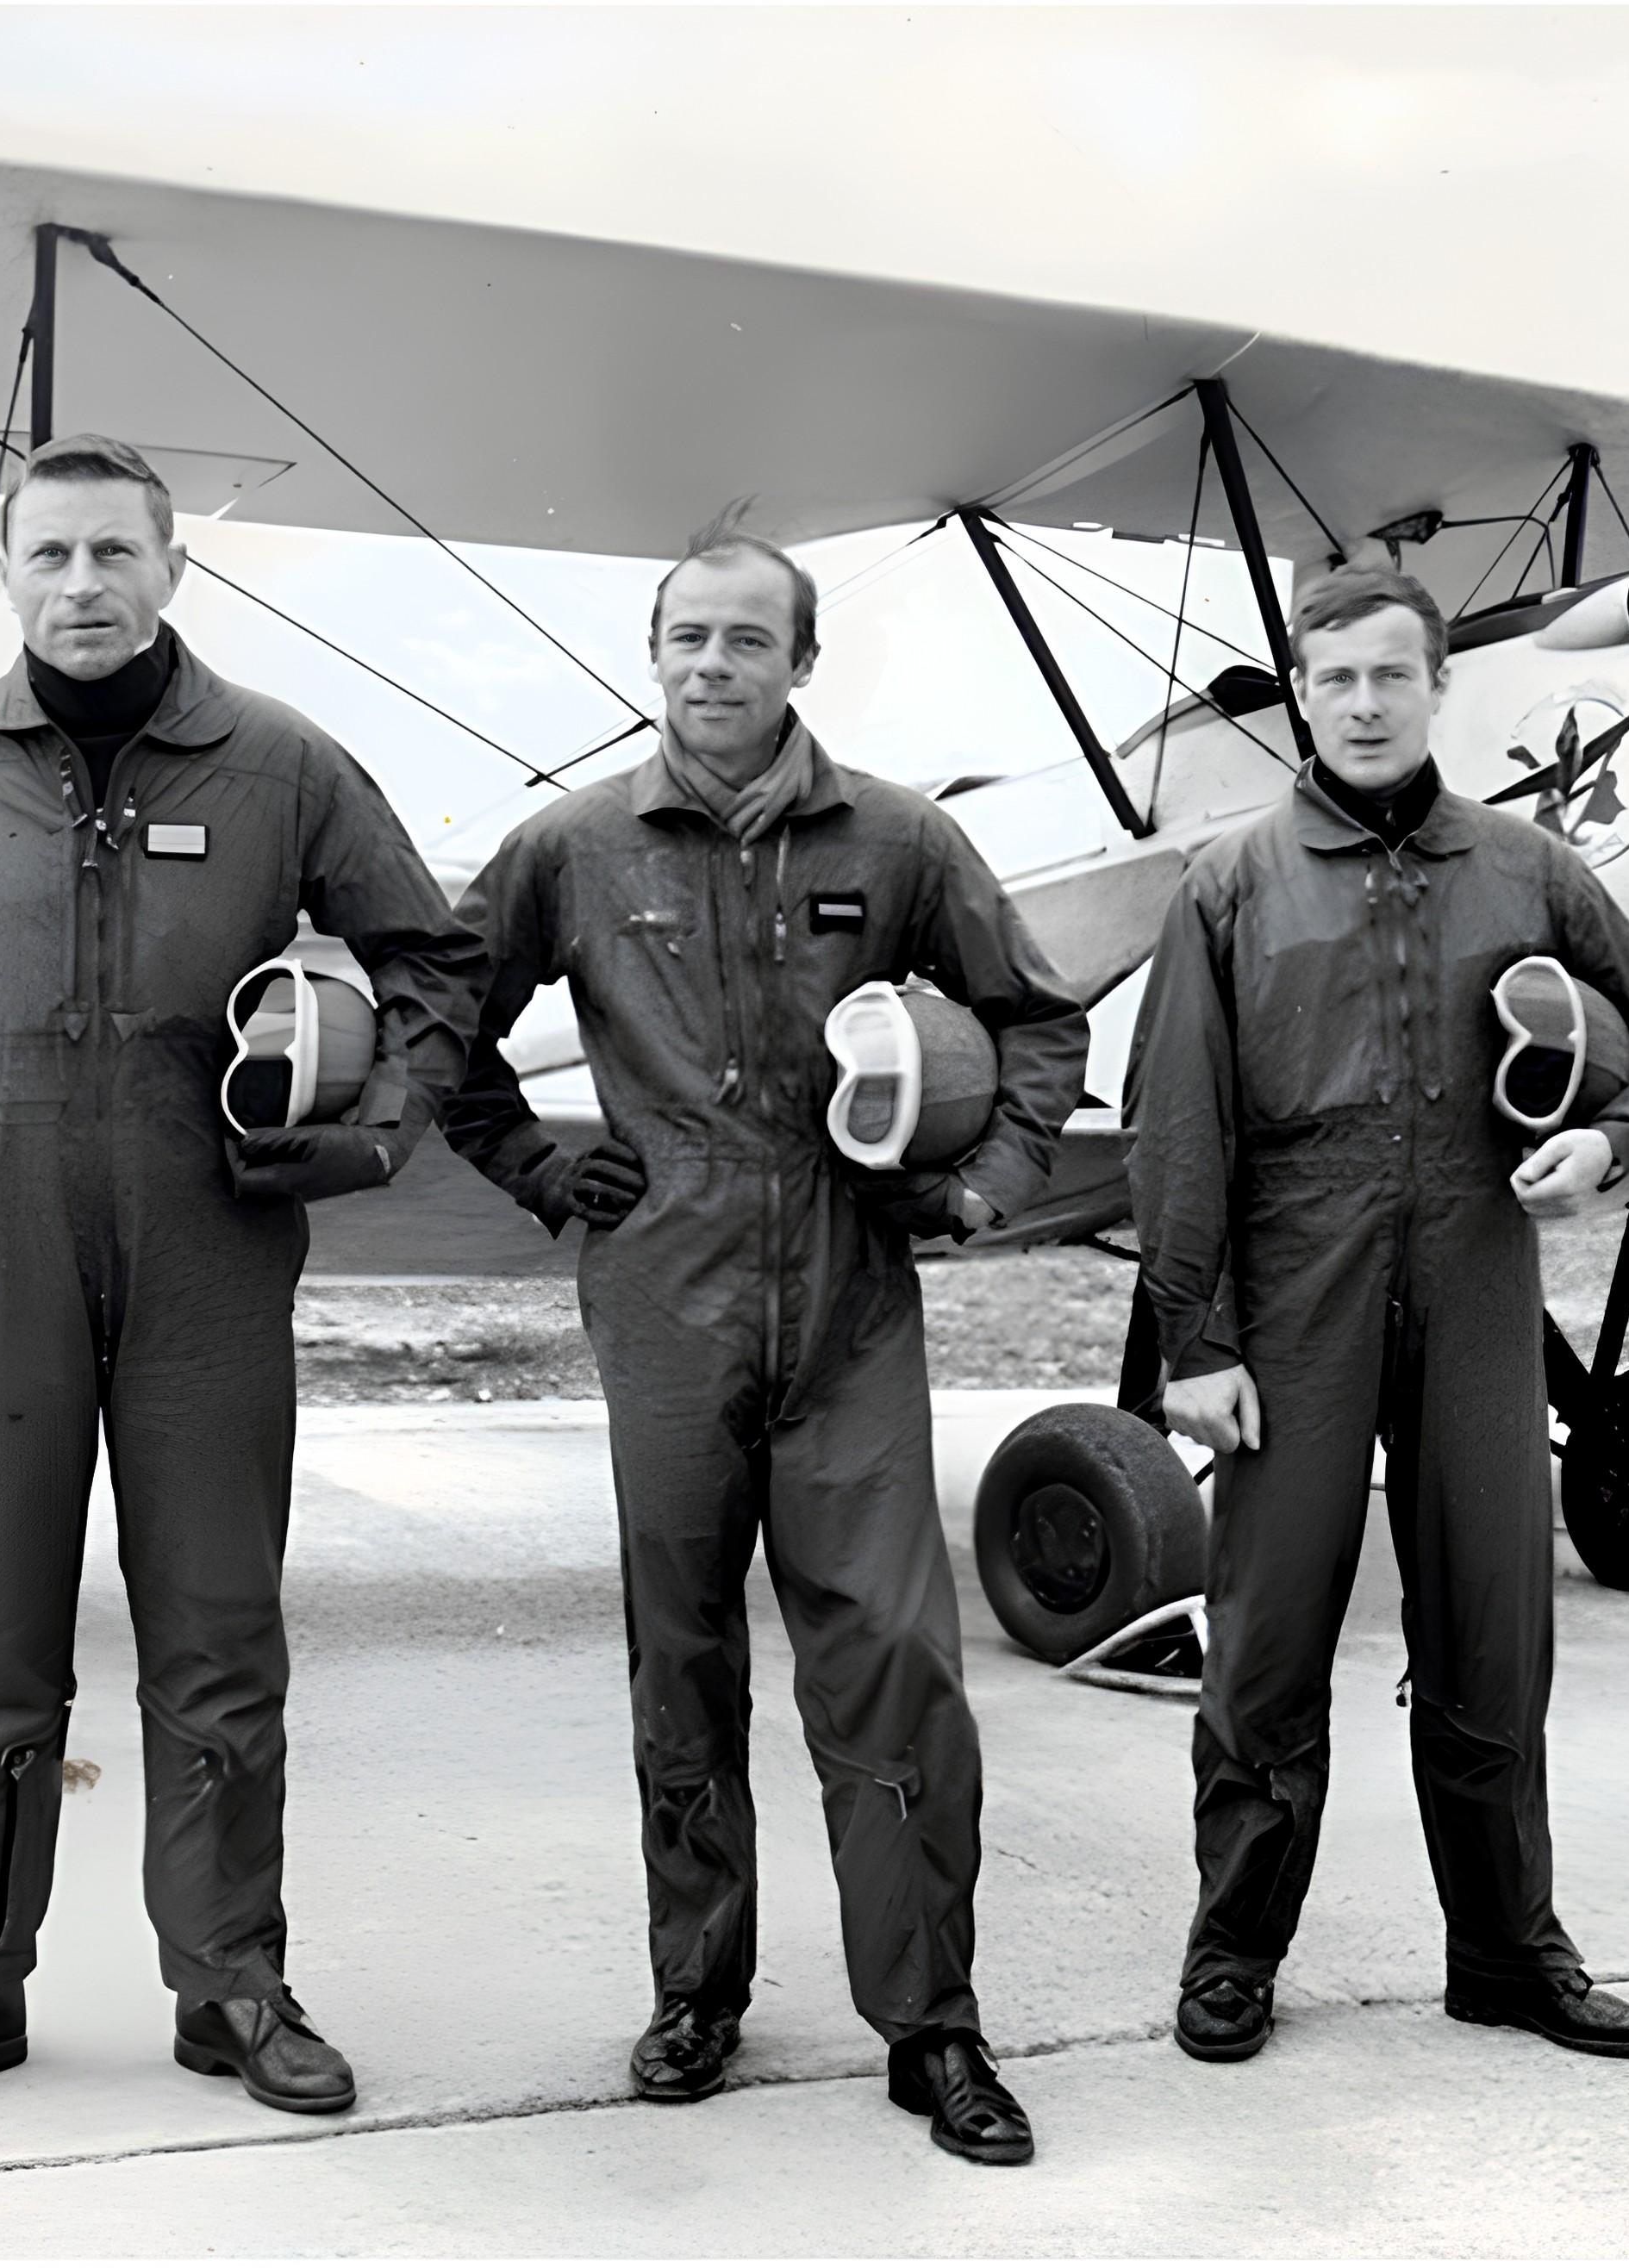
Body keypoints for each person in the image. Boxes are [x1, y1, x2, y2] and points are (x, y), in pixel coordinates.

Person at [0, 434, 484, 2119]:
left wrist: (371, 1136)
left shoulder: (283, 767)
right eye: (48, 554)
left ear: (168, 568)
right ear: (8, 571)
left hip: (209, 1260)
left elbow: (434, 960)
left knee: (220, 1637)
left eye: (111, 552)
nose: (81, 585)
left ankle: (231, 1982)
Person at [444, 518, 1089, 2165]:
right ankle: (698, 1993)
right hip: (663, 1289)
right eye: (688, 640)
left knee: (894, 1657)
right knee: (686, 1656)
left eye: (748, 640)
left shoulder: (901, 838)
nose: (714, 668)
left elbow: (1036, 1018)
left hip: (851, 1284)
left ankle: (931, 2025)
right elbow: (437, 1020)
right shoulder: (572, 848)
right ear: (652, 659)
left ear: (804, 662)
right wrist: (531, 1159)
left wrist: (987, 1180)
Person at [1127, 564, 1629, 2067]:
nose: (1363, 704)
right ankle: (1232, 1954)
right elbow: (1175, 1126)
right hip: (1295, 1299)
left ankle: (1509, 1951)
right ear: (1303, 693)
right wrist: (1194, 1344)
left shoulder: (1529, 872)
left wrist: (1609, 1145)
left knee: (1493, 1628)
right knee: (1266, 1639)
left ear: (1439, 685)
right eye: (1333, 680)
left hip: (1475, 1275)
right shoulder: (1230, 886)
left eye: (1391, 676)